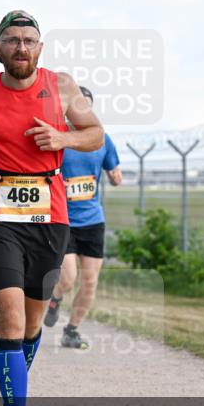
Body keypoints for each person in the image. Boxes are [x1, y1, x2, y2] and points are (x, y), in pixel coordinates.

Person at [0, 10, 104, 406]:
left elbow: (95, 134)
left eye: (29, 40)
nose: (21, 47)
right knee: (12, 321)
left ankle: (9, 403)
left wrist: (63, 139)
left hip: (50, 215)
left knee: (33, 325)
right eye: (12, 40)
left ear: (41, 47)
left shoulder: (62, 86)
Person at [43, 88, 122, 349]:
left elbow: (114, 168)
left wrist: (115, 175)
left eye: (85, 110)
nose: (79, 116)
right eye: (75, 110)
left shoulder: (102, 140)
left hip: (92, 220)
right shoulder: (58, 140)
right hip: (62, 220)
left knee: (89, 283)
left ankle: (71, 330)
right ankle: (55, 299)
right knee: (67, 278)